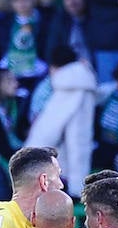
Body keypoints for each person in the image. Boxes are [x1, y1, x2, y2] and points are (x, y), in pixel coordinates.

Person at [24, 45, 98, 189]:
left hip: (50, 170)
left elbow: (75, 138)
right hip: (59, 170)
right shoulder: (79, 84)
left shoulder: (70, 88)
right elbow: (79, 140)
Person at [46, 0, 91, 65]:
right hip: (68, 70)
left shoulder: (95, 19)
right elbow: (51, 51)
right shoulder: (59, 21)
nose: (71, 2)